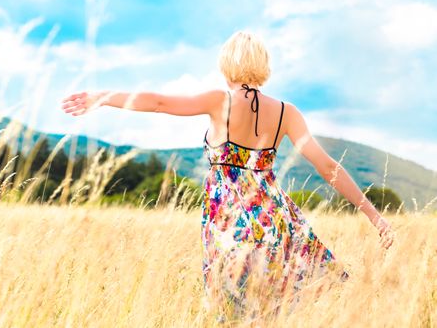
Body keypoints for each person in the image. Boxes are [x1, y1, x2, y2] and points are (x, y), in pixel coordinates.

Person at [61, 30, 395, 322]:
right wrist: (375, 217)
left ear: (227, 64)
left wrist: (102, 97)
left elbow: (159, 102)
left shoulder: (219, 102)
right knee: (272, 313)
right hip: (274, 222)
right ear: (262, 65)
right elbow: (328, 168)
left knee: (234, 315)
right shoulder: (286, 113)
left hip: (230, 226)